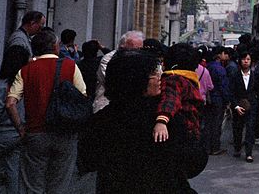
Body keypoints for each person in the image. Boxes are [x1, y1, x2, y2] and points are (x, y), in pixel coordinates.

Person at [78, 49, 207, 193]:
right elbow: (192, 163)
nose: (160, 76)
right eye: (153, 73)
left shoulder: (101, 120)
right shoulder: (165, 120)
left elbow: (87, 161)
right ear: (136, 79)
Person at [6, 29, 87, 194]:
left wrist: (21, 127)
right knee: (59, 184)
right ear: (55, 47)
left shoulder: (26, 70)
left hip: (35, 132)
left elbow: (10, 103)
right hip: (65, 132)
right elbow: (83, 96)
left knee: (32, 184)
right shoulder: (70, 66)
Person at [153, 43, 203, 144]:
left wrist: (161, 120)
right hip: (192, 131)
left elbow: (170, 99)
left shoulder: (174, 80)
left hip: (180, 132)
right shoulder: (190, 80)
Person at [0, 45, 30, 194]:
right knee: (13, 172)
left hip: (2, 133)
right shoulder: (23, 85)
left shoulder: (2, 86)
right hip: (17, 135)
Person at [93, 30, 144, 112]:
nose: (139, 52)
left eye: (141, 49)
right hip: (106, 105)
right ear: (123, 46)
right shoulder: (108, 59)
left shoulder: (140, 60)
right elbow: (113, 82)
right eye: (136, 49)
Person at [230, 49, 259, 162]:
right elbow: (231, 92)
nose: (246, 61)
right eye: (244, 59)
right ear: (240, 61)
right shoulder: (234, 75)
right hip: (238, 105)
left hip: (252, 105)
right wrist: (236, 106)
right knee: (238, 128)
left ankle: (249, 153)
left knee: (250, 129)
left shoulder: (256, 75)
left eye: (248, 59)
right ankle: (237, 148)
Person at [203, 46, 230, 155]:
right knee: (216, 124)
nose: (226, 55)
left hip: (208, 98)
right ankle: (215, 147)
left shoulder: (208, 66)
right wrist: (227, 100)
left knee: (208, 123)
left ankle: (207, 146)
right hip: (218, 98)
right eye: (224, 53)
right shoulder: (220, 69)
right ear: (219, 55)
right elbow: (224, 86)